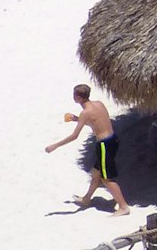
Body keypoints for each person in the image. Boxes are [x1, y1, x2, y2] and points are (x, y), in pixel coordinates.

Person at [46, 85, 130, 216]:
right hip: (113, 139)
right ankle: (86, 199)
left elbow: (74, 136)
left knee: (106, 178)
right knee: (96, 172)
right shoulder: (98, 104)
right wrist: (76, 119)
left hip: (104, 145)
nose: (73, 97)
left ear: (78, 98)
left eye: (74, 95)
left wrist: (55, 145)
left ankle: (123, 207)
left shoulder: (85, 113)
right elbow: (96, 121)